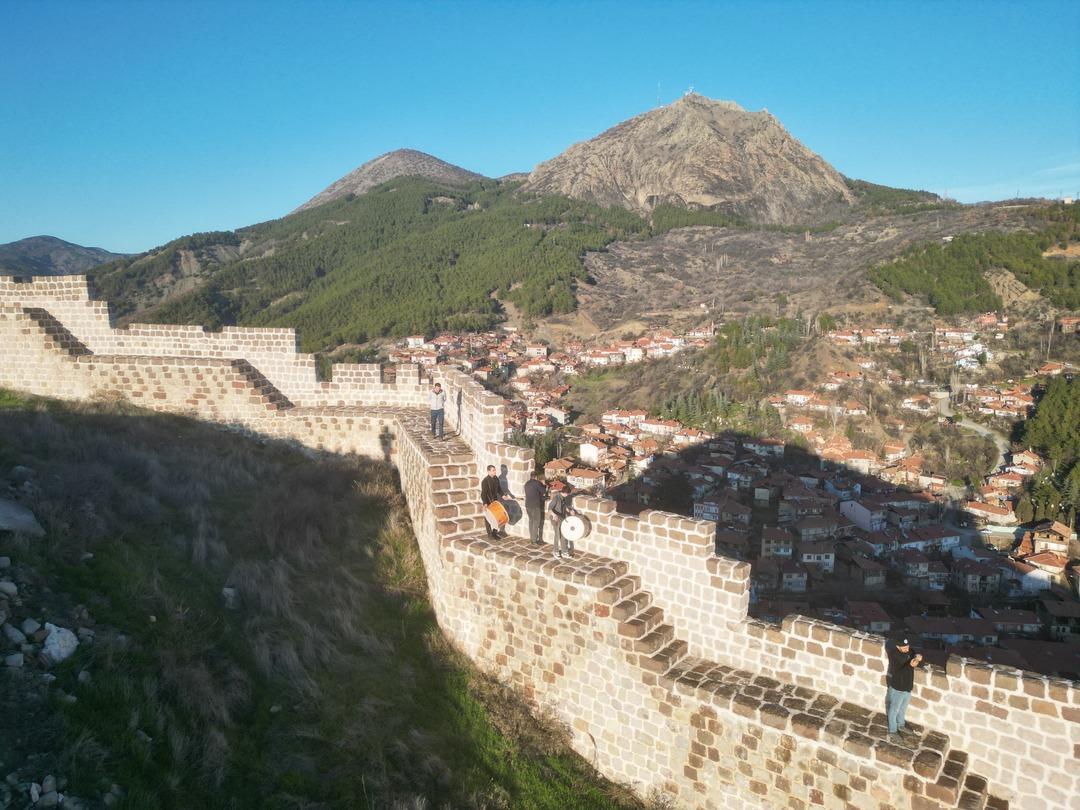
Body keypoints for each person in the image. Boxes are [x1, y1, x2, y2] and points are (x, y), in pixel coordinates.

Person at [886, 637, 923, 740]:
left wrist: (919, 660)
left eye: (907, 646)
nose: (907, 649)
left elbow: (919, 664)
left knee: (903, 708)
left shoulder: (910, 651)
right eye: (904, 647)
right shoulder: (894, 655)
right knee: (893, 710)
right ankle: (892, 731)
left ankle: (901, 725)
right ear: (898, 647)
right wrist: (911, 665)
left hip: (907, 686)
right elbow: (897, 672)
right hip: (898, 687)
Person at [547, 482, 577, 559]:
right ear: (565, 493)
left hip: (562, 518)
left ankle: (564, 552)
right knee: (557, 535)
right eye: (568, 494)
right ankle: (555, 551)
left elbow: (564, 507)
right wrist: (554, 515)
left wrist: (570, 511)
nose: (568, 495)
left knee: (564, 534)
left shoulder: (563, 498)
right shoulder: (556, 498)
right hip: (555, 518)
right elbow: (549, 509)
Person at [480, 464, 508, 538]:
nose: (495, 471)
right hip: (488, 502)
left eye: (495, 470)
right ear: (488, 471)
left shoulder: (496, 479)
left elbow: (499, 489)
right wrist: (485, 503)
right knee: (488, 518)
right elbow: (483, 493)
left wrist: (503, 496)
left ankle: (494, 533)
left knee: (497, 517)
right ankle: (489, 534)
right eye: (493, 470)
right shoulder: (485, 481)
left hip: (495, 501)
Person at [523, 471, 547, 546]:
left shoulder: (526, 483)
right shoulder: (537, 483)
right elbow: (543, 492)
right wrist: (544, 485)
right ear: (536, 477)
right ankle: (534, 541)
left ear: (531, 476)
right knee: (536, 522)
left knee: (531, 521)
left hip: (527, 505)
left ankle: (532, 537)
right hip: (535, 506)